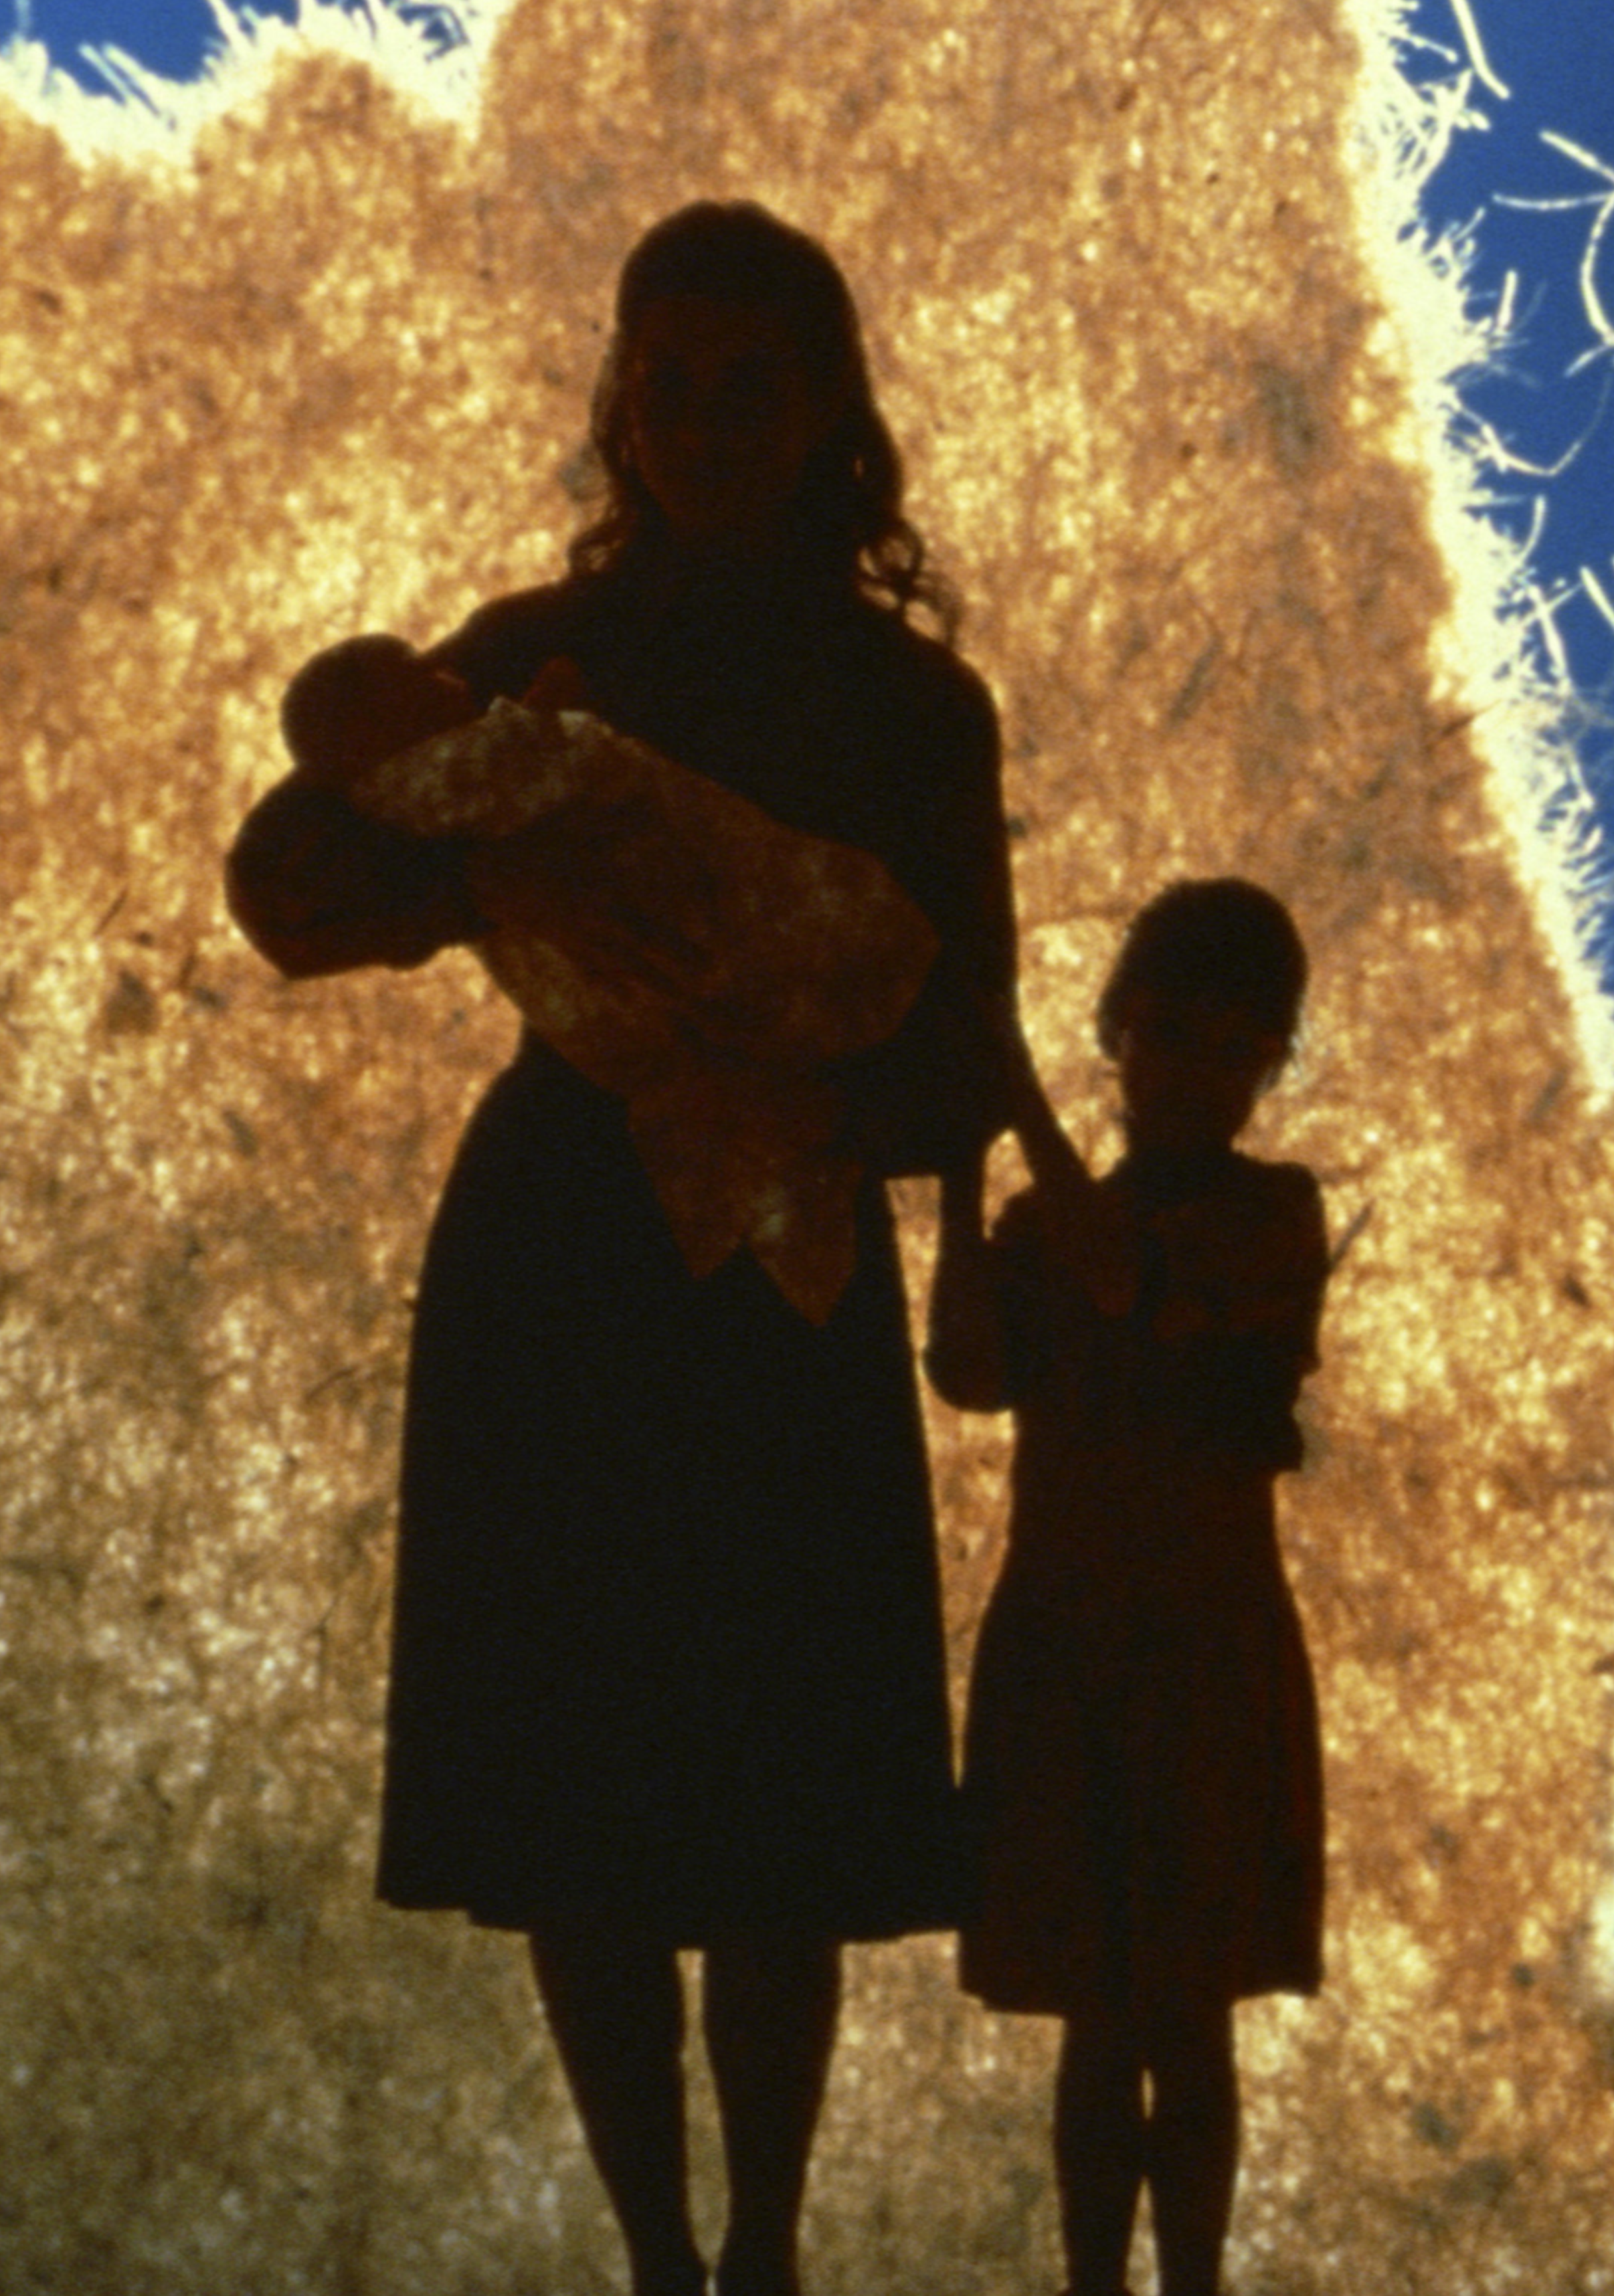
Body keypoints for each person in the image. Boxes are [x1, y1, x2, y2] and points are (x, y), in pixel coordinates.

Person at [228, 203, 1041, 2296]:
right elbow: (297, 895)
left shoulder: (911, 709)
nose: (694, 420)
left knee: (775, 1823)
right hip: (565, 1253)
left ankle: (759, 2256)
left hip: (776, 1257)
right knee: (571, 1809)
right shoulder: (523, 648)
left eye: (742, 383)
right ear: (618, 400)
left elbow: (972, 1054)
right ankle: (662, 2268)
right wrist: (409, 827)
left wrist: (800, 1106)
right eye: (661, 380)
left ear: (829, 413)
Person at [928, 880, 1330, 2296]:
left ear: (1268, 1067)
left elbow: (1118, 1280)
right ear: (1119, 1035)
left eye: (1231, 1050)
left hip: (1202, 1662)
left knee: (1187, 2023)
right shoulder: (1050, 1223)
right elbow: (969, 1368)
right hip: (1068, 1647)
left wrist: (1010, 1102)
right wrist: (964, 1166)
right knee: (1102, 2025)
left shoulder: (1276, 1212)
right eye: (1167, 1036)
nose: (1190, 1076)